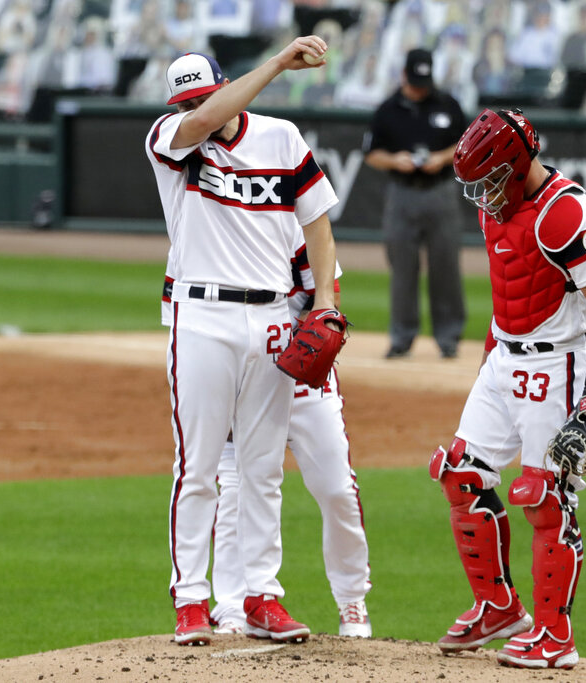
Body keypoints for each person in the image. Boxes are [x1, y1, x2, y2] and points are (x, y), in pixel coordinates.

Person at [145, 36, 339, 647]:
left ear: (226, 85)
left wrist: (326, 304)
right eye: (188, 103)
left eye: (206, 94)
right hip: (200, 316)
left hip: (274, 317)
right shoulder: (169, 139)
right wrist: (280, 62)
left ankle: (260, 595)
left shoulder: (281, 138)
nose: (198, 111)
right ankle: (191, 600)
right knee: (198, 466)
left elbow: (318, 222)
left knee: (261, 469)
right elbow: (202, 120)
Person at [431, 108, 586, 670]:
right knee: (461, 474)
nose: (483, 196)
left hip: (558, 362)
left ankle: (555, 636)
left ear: (518, 167)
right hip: (503, 358)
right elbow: (505, 293)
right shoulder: (499, 208)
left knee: (543, 496)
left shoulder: (565, 213)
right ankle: (497, 607)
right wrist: (491, 361)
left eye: (489, 181)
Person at [210, 243, 373, 638]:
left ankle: (352, 598)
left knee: (337, 490)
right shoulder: (224, 237)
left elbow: (327, 297)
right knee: (235, 487)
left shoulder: (304, 236)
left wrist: (312, 322)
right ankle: (232, 604)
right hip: (244, 380)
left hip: (304, 385)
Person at [363, 47, 468, 360]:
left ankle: (449, 338)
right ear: (404, 74)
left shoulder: (448, 105)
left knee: (446, 266)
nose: (421, 87)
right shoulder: (387, 109)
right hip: (402, 193)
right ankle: (401, 337)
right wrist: (395, 160)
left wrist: (441, 158)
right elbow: (371, 153)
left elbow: (466, 144)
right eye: (416, 80)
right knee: (402, 269)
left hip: (441, 191)